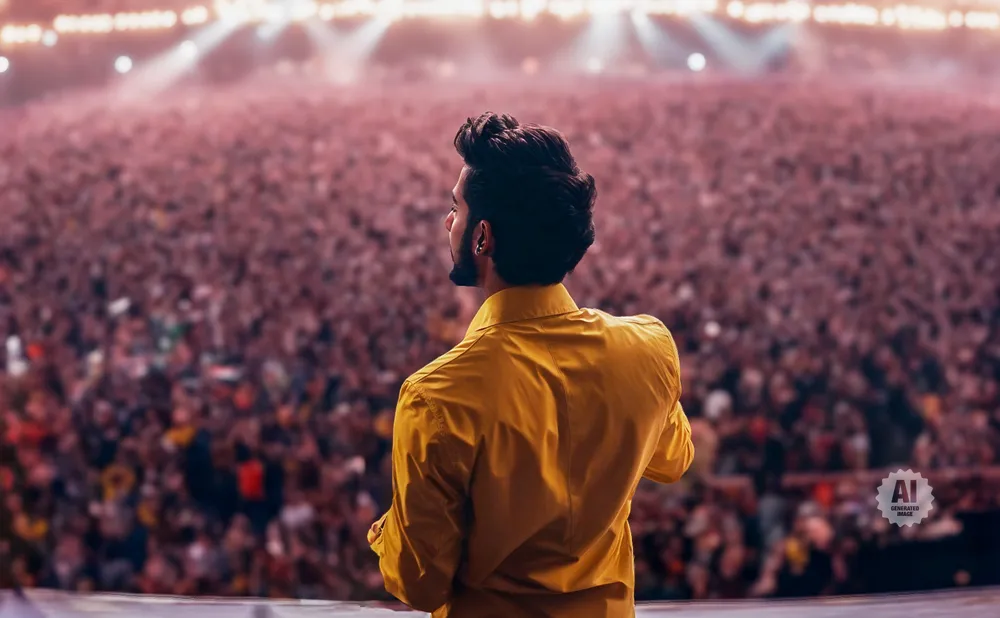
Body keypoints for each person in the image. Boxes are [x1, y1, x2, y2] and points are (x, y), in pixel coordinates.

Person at [367, 112, 695, 617]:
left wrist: (388, 529)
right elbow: (672, 461)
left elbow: (419, 583)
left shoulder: (438, 396)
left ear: (483, 238)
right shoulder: (648, 349)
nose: (446, 222)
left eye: (455, 209)